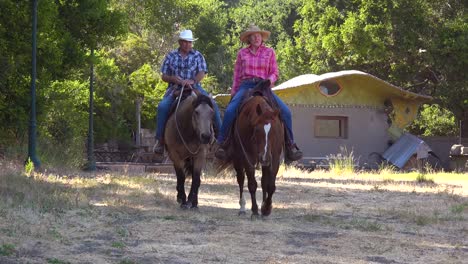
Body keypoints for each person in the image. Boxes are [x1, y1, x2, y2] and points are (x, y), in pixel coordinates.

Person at [215, 24, 303, 161]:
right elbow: (237, 76)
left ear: (262, 38)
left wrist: (269, 80)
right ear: (248, 39)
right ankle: (222, 143)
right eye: (253, 36)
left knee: (286, 112)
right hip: (246, 85)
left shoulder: (270, 52)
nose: (256, 38)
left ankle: (290, 146)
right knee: (230, 111)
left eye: (258, 36)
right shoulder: (242, 54)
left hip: (264, 85)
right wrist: (234, 94)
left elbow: (275, 72)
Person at [153, 29, 222, 154]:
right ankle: (160, 140)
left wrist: (193, 80)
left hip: (194, 87)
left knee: (213, 105)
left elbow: (202, 72)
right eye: (185, 42)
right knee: (162, 107)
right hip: (175, 87)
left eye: (190, 42)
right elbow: (164, 75)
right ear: (180, 42)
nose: (187, 45)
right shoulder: (171, 56)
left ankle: (219, 140)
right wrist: (174, 79)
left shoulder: (197, 55)